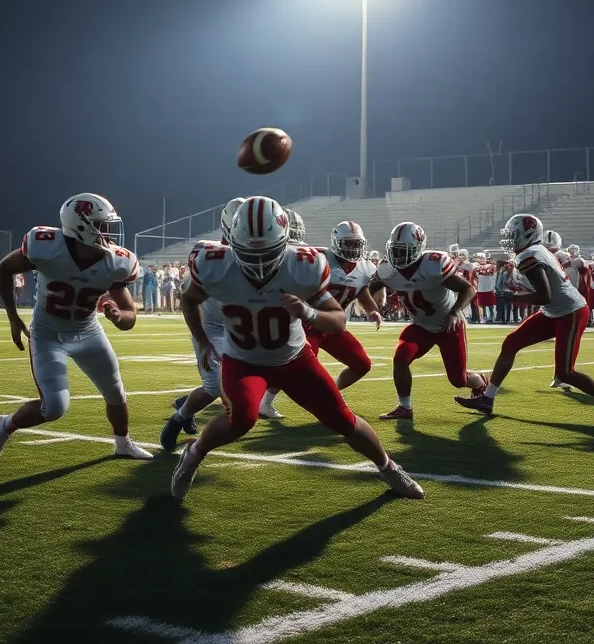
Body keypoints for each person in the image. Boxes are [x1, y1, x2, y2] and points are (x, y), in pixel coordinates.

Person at [171, 195, 423, 502]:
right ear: (231, 242)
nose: (259, 262)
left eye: (267, 252)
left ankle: (389, 467)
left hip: (293, 358)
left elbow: (338, 321)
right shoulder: (214, 264)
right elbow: (189, 298)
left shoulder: (303, 266)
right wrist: (201, 338)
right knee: (241, 419)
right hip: (243, 360)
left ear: (284, 242)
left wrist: (309, 312)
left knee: (342, 420)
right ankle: (192, 456)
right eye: (249, 252)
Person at [0, 192, 151, 465]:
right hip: (48, 333)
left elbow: (130, 316)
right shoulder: (47, 246)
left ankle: (123, 444)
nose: (108, 233)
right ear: (80, 225)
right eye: (101, 225)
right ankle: (5, 426)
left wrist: (119, 316)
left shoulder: (116, 262)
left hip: (88, 331)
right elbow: (4, 268)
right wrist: (12, 316)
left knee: (116, 392)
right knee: (54, 408)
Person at [457, 214, 594, 425]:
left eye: (514, 235)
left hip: (570, 312)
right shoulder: (534, 251)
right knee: (511, 343)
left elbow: (544, 296)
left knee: (565, 373)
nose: (510, 240)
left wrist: (512, 297)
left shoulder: (529, 255)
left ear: (527, 235)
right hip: (553, 311)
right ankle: (488, 398)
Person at [257, 220, 386, 420]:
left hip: (332, 326)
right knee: (295, 367)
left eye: (356, 244)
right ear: (336, 242)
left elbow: (361, 291)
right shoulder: (319, 259)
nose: (353, 248)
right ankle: (265, 402)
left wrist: (371, 311)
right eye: (348, 243)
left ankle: (332, 392)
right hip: (306, 325)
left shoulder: (365, 268)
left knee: (362, 364)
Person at [368, 222, 488, 420]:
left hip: (448, 325)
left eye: (403, 251)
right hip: (421, 326)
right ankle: (405, 407)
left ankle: (480, 382)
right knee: (401, 357)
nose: (397, 256)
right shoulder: (386, 269)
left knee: (458, 380)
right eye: (395, 250)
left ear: (417, 249)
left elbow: (468, 289)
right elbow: (368, 289)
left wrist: (454, 312)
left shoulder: (433, 266)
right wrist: (374, 306)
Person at [161, 198, 244, 451]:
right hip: (213, 327)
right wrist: (202, 339)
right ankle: (180, 417)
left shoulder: (261, 256)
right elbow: (188, 299)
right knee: (215, 385)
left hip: (240, 328)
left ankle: (185, 404)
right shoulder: (209, 256)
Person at [475, 252, 497, 322]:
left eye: (482, 258)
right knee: (482, 304)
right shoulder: (476, 266)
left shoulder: (491, 266)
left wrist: (494, 286)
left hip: (489, 287)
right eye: (479, 258)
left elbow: (494, 275)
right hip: (481, 288)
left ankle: (491, 316)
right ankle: (484, 316)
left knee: (490, 304)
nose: (481, 259)